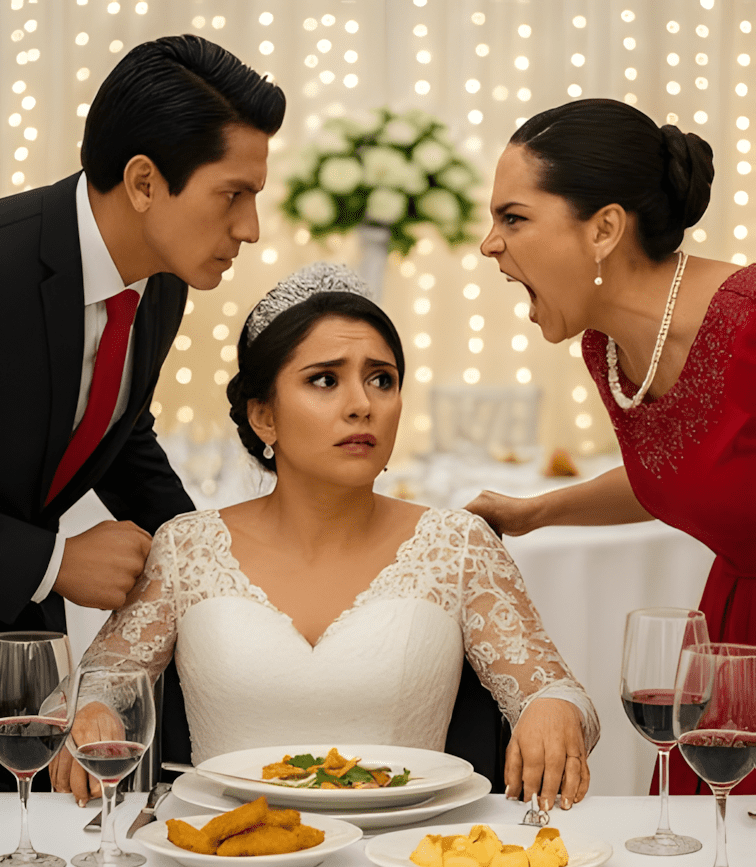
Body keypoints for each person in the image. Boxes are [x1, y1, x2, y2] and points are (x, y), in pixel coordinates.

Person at [50, 262, 599, 809]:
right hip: (224, 849)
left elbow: (558, 692)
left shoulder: (458, 545)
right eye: (325, 380)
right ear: (263, 417)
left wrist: (552, 710)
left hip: (407, 850)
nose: (362, 404)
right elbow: (92, 688)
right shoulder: (185, 548)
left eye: (381, 379)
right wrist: (91, 712)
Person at [0, 35, 285, 790]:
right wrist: (53, 561)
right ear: (144, 181)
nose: (250, 227)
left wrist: (207, 558)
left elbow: (118, 426)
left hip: (14, 651)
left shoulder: (162, 279)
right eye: (233, 195)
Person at [468, 97, 756, 794]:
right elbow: (684, 471)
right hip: (731, 638)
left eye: (513, 218)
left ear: (603, 229)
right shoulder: (608, 351)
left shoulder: (749, 324)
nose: (489, 245)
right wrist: (536, 512)